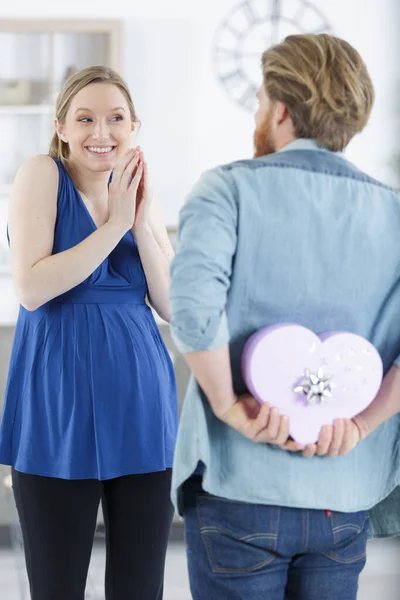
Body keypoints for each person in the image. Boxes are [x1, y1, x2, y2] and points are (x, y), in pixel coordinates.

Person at [169, 34, 400, 600]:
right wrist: (360, 426)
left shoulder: (225, 190)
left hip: (239, 484)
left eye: (258, 99)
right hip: (342, 495)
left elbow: (195, 313)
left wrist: (230, 406)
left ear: (280, 109)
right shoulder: (394, 213)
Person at [0, 65, 178, 600]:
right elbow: (33, 288)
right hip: (60, 404)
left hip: (142, 404)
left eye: (115, 118)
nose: (102, 132)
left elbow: (171, 305)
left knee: (141, 586)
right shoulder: (41, 174)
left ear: (134, 126)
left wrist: (141, 220)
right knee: (57, 585)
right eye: (86, 119)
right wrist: (114, 226)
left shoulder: (137, 190)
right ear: (61, 126)